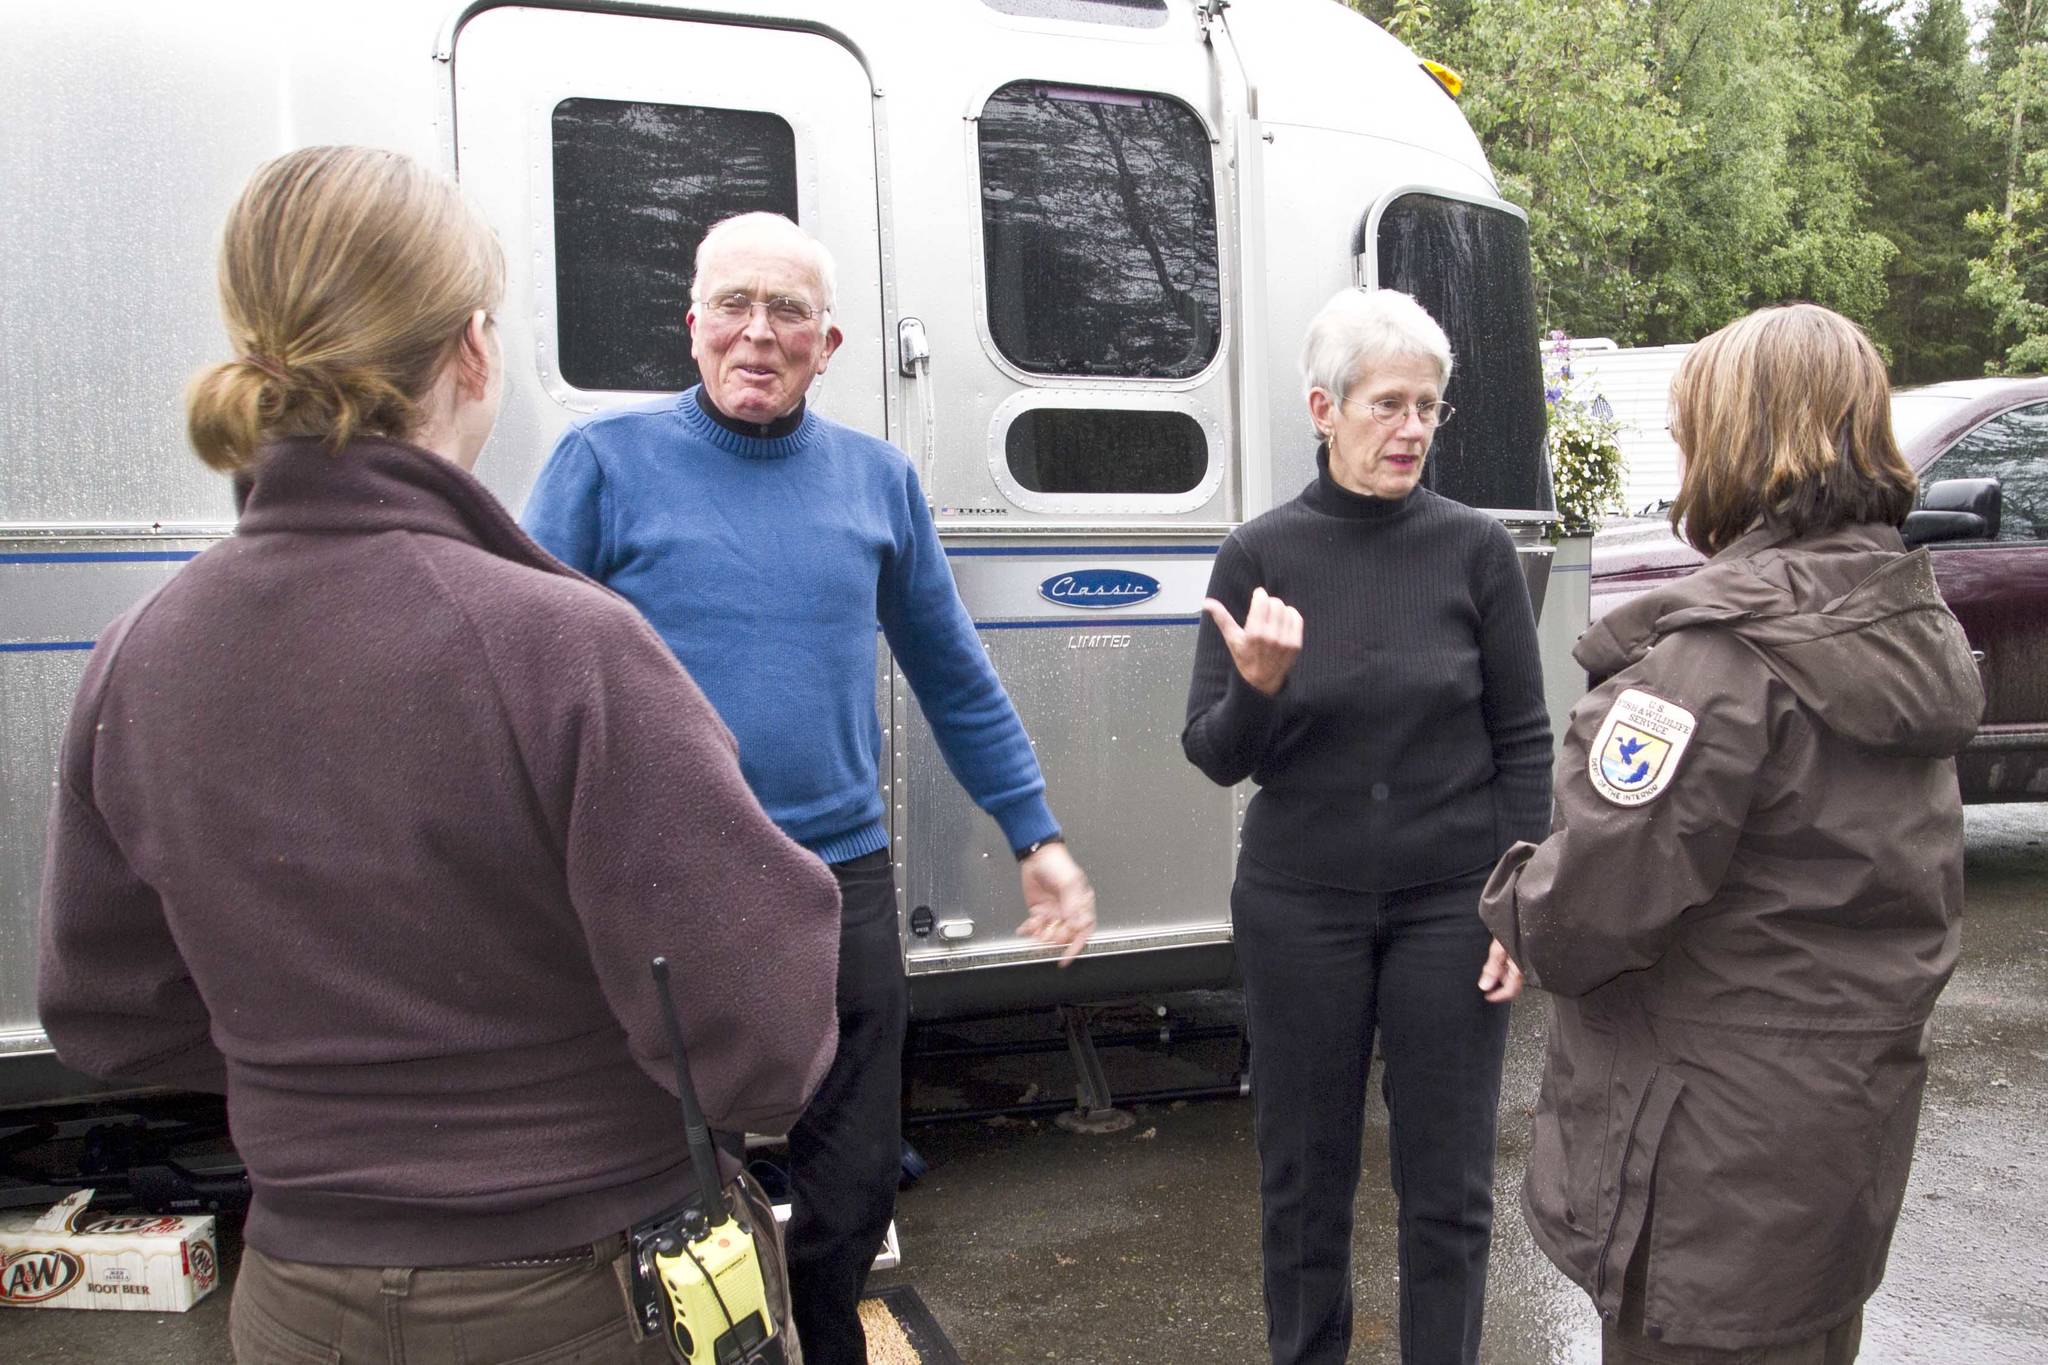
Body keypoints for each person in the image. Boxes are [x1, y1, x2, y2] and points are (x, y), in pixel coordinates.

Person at [37, 146, 842, 1363]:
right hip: (578, 1296)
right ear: (472, 348)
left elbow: (110, 1015)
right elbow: (757, 1036)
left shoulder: (140, 653)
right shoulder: (563, 645)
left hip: (299, 1298)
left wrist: (335, 1098)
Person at [521, 210, 1097, 1365]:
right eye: (732, 305)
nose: (757, 333)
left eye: (787, 311)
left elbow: (952, 672)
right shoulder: (601, 466)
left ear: (827, 344)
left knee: (853, 1167)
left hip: (839, 875)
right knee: (678, 1172)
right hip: (665, 882)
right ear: (691, 328)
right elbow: (520, 674)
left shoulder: (875, 482)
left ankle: (826, 1334)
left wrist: (1033, 831)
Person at [1480, 303, 1985, 1364]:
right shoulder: (1904, 621)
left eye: (1686, 426)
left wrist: (1509, 893)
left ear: (1736, 440)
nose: (1677, 449)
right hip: (1828, 1152)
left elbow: (1582, 919)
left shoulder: (1717, 665)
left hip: (1708, 1179)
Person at [1182, 287, 1553, 1365]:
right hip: (1300, 907)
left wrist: (1514, 904)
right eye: (1386, 404)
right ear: (1322, 408)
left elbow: (1522, 739)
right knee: (1303, 1185)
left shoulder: (1473, 550)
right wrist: (1254, 687)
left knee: (1447, 1187)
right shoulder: (1258, 554)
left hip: (1450, 905)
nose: (1410, 430)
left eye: (1427, 407)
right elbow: (1214, 756)